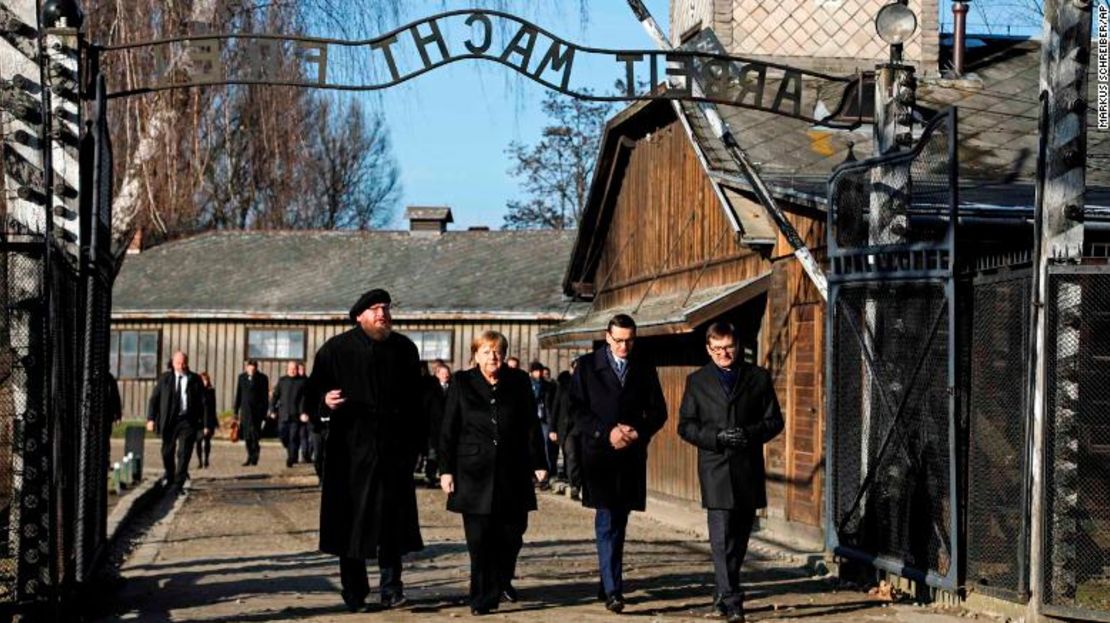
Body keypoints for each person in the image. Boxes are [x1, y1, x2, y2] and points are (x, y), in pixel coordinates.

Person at [303, 288, 426, 612]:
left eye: (385, 308)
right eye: (374, 309)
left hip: (393, 452)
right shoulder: (335, 350)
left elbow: (419, 403)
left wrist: (417, 445)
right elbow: (311, 396)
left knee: (392, 524)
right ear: (359, 316)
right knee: (351, 525)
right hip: (350, 454)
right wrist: (324, 404)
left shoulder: (404, 350)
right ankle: (355, 592)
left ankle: (392, 588)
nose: (382, 314)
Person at [678, 322, 783, 623]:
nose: (724, 353)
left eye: (729, 347)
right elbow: (685, 426)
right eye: (718, 349)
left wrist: (749, 434)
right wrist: (716, 437)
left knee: (738, 538)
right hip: (715, 467)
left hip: (747, 467)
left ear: (738, 346)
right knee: (721, 538)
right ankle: (734, 600)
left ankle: (722, 593)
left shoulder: (758, 377)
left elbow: (774, 421)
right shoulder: (697, 381)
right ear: (708, 349)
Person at [439, 332, 547, 616]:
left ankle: (500, 579)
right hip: (473, 473)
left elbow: (531, 426)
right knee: (479, 539)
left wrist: (539, 461)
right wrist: (445, 469)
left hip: (512, 470)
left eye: (498, 351)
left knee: (512, 533)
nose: (493, 357)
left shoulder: (519, 381)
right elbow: (448, 428)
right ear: (475, 355)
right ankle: (481, 597)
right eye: (486, 352)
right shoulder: (462, 382)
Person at [569, 314, 667, 614]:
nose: (625, 346)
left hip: (630, 455)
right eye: (619, 340)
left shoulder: (644, 367)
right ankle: (613, 590)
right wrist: (605, 431)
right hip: (599, 455)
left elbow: (658, 411)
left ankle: (607, 579)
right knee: (606, 519)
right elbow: (576, 410)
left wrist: (638, 431)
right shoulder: (587, 367)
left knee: (619, 522)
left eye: (630, 340)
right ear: (607, 337)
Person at [146, 351, 207, 492]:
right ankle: (170, 474)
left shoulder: (195, 379)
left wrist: (205, 424)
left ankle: (178, 483)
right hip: (169, 420)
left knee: (184, 451)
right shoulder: (165, 379)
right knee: (167, 451)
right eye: (178, 363)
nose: (181, 366)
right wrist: (151, 419)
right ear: (173, 364)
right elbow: (154, 400)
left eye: (184, 363)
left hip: (187, 420)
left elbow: (204, 403)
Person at [550, 360, 580, 499]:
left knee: (581, 455)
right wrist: (552, 429)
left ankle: (578, 482)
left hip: (583, 426)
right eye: (576, 368)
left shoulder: (589, 384)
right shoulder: (563, 386)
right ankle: (574, 484)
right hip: (567, 427)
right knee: (571, 453)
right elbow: (555, 407)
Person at [272, 360, 310, 468]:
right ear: (287, 369)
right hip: (283, 414)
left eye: (295, 369)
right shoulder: (282, 381)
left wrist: (303, 412)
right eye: (291, 369)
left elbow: (304, 399)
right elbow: (275, 396)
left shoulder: (301, 382)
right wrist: (272, 409)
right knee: (283, 436)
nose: (293, 371)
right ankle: (291, 451)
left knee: (293, 437)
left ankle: (291, 458)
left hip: (295, 415)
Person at [233, 359, 270, 466]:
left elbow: (265, 397)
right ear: (247, 367)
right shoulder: (242, 378)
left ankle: (255, 456)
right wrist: (236, 411)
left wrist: (264, 412)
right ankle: (250, 455)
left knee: (254, 435)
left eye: (254, 368)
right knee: (247, 436)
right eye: (250, 368)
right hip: (245, 412)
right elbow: (239, 394)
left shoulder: (262, 378)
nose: (252, 370)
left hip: (257, 412)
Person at [421, 359, 451, 488]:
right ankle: (430, 476)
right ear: (437, 374)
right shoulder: (431, 389)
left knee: (446, 453)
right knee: (433, 453)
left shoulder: (454, 388)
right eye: (443, 373)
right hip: (434, 428)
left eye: (447, 372)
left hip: (448, 427)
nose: (446, 375)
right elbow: (426, 408)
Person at [528, 361, 558, 485]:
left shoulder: (548, 386)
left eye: (539, 371)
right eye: (536, 371)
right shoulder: (527, 384)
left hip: (544, 418)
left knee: (546, 445)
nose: (539, 373)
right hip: (531, 419)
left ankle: (547, 473)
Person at [195, 371, 218, 469]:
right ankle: (200, 461)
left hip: (208, 419)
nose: (205, 382)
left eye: (206, 380)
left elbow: (213, 407)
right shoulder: (196, 391)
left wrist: (214, 421)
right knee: (198, 441)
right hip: (198, 420)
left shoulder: (211, 391)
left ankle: (206, 460)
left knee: (207, 440)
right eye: (203, 380)